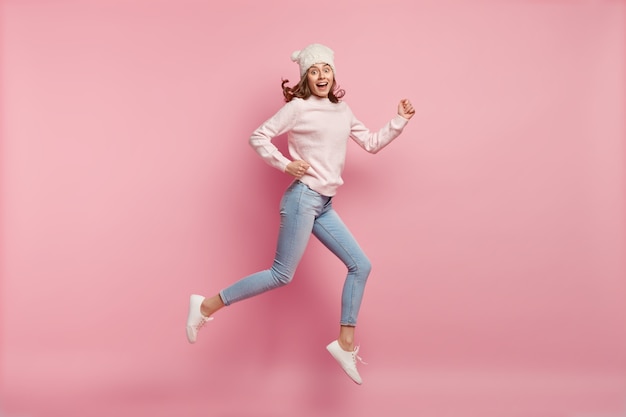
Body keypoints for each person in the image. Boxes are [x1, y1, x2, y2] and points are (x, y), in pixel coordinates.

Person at [186, 43, 415, 385]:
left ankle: (345, 343)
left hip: (323, 204)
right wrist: (285, 163)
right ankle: (205, 306)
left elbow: (370, 142)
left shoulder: (343, 111)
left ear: (333, 73)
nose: (321, 75)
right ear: (305, 77)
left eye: (326, 69)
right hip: (302, 199)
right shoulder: (298, 107)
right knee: (282, 274)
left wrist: (399, 121)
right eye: (314, 71)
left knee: (360, 265)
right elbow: (258, 136)